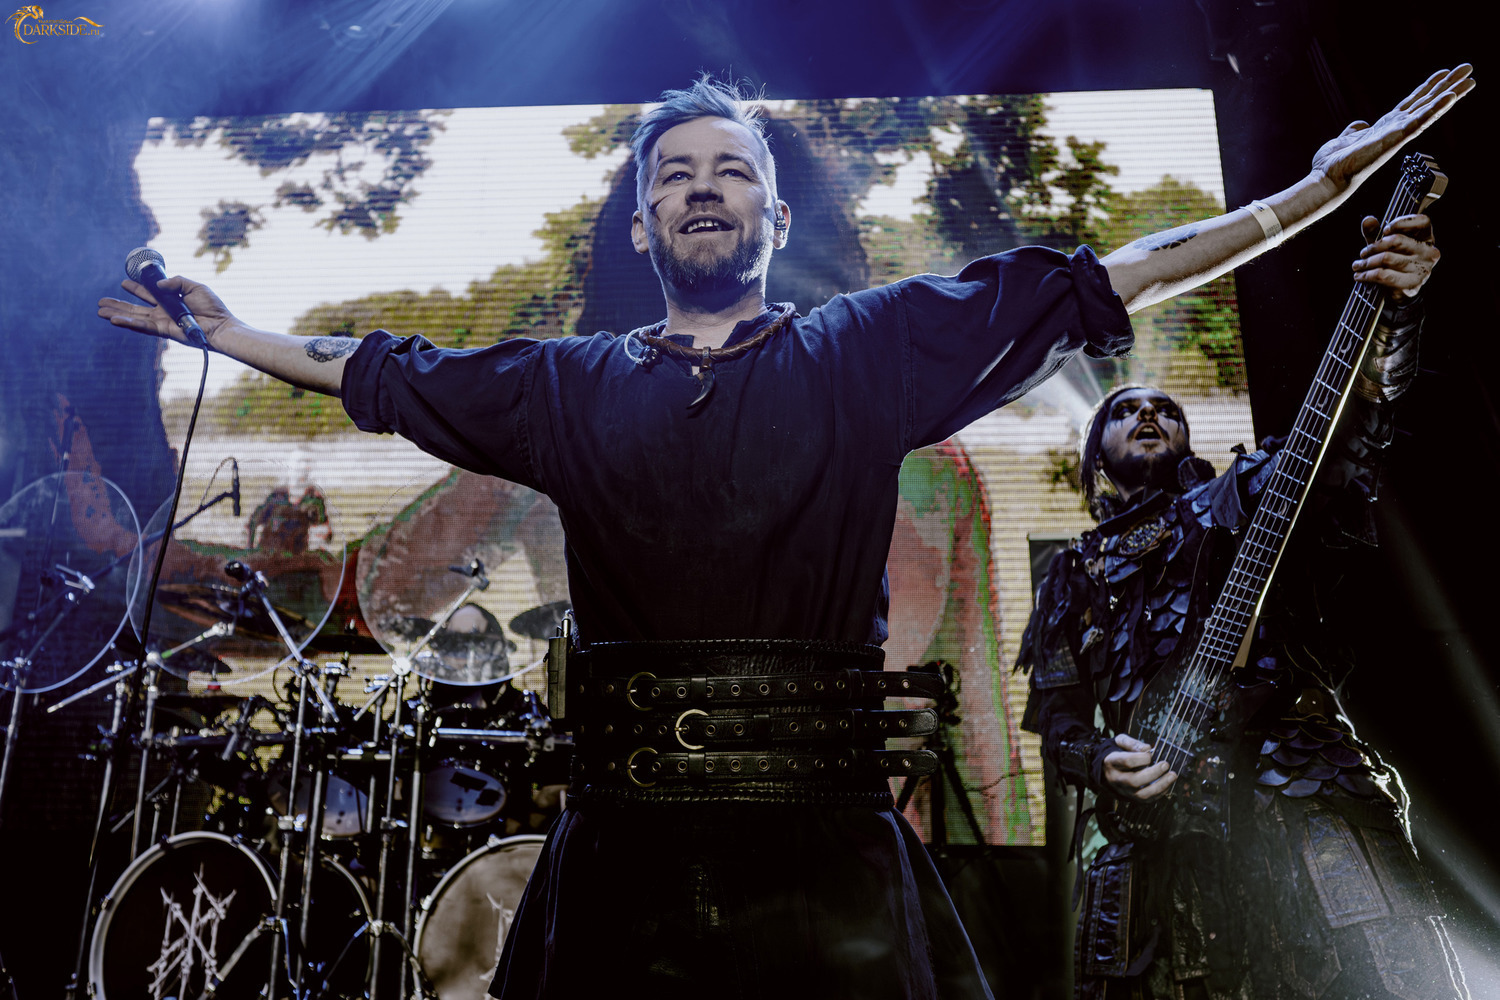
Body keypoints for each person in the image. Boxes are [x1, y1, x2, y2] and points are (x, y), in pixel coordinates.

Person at [100, 69, 1472, 1000]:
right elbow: (382, 370)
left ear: (772, 209)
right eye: (675, 174)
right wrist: (230, 334)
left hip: (827, 857)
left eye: (731, 170)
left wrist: (1313, 193)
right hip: (623, 856)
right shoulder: (566, 386)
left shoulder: (865, 349)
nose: (703, 188)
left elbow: (1107, 280)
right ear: (643, 221)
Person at [1016, 212, 1464, 998]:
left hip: (1294, 784)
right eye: (1123, 409)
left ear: (1187, 439)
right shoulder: (1071, 573)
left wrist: (1393, 317)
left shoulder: (1241, 496)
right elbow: (1057, 720)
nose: (1147, 414)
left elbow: (1343, 439)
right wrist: (1100, 761)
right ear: (1096, 457)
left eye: (1165, 408)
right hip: (1158, 837)